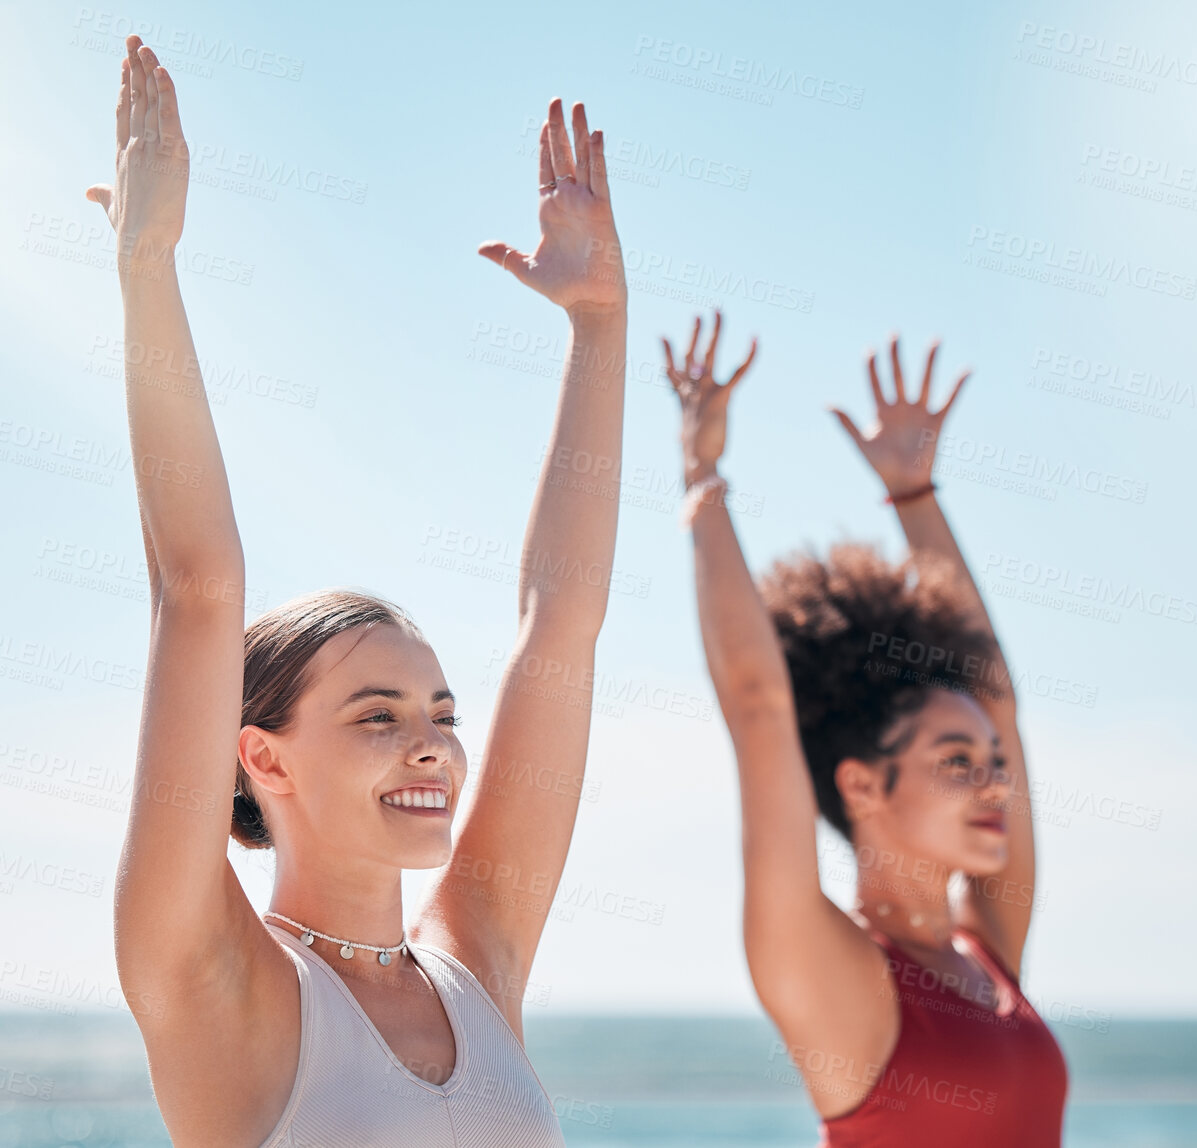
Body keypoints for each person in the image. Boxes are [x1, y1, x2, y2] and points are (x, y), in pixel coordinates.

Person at [85, 35, 628, 1147]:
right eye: (377, 715)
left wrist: (598, 327)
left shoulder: (475, 957)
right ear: (262, 754)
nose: (430, 745)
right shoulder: (214, 976)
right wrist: (148, 269)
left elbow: (558, 625)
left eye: (438, 714)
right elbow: (198, 588)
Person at [663, 314, 1068, 1146]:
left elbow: (998, 703)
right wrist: (701, 478)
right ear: (860, 782)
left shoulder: (985, 947)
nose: (994, 782)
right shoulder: (832, 970)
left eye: (989, 763)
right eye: (955, 761)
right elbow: (757, 706)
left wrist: (913, 497)